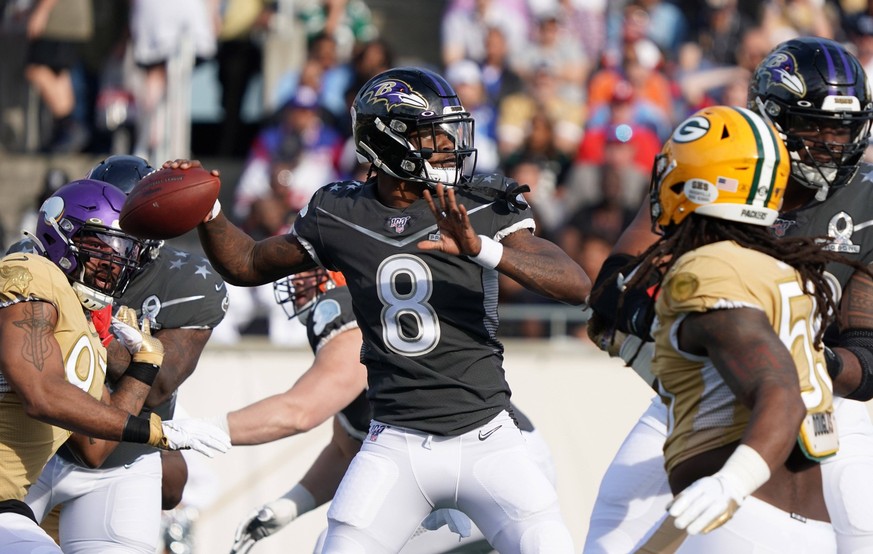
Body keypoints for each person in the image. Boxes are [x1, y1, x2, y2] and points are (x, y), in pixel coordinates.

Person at [188, 65, 589, 552]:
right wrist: (208, 212)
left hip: (489, 436)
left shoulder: (479, 203)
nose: (447, 144)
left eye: (447, 132)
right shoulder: (340, 213)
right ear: (389, 140)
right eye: (430, 134)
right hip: (395, 442)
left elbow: (574, 284)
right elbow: (249, 262)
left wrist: (481, 248)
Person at [584, 37, 873, 553]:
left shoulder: (868, 197)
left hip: (819, 401)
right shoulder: (726, 157)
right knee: (612, 535)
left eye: (845, 129)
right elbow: (615, 282)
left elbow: (869, 359)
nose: (834, 144)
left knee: (859, 524)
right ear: (770, 117)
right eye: (816, 127)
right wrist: (678, 329)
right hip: (708, 384)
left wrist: (813, 360)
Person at [629, 104, 850, 551]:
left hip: (741, 518)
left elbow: (779, 392)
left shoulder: (706, 268)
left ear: (698, 180)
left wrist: (730, 484)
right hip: (810, 529)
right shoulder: (777, 267)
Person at [227, 268, 556, 553]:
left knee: (337, 543)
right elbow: (345, 447)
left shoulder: (352, 317)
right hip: (464, 461)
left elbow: (299, 412)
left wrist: (196, 429)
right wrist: (290, 505)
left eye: (308, 270)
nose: (298, 281)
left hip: (488, 462)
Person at [0, 178, 230, 553]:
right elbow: (40, 392)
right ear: (63, 235)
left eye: (123, 248)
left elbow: (95, 447)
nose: (116, 259)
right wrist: (158, 432)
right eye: (102, 246)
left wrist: (144, 365)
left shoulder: (84, 325)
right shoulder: (33, 271)